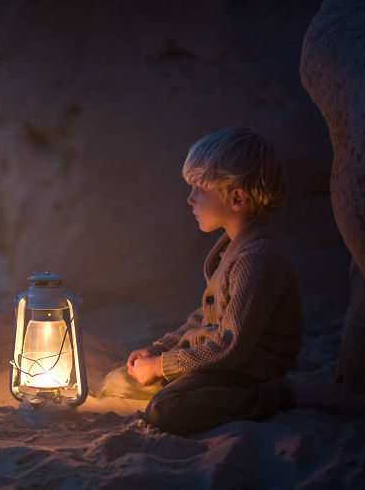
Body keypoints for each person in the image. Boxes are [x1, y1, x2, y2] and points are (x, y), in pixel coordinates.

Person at [126, 127, 302, 435]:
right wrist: (160, 348)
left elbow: (230, 346)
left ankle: (273, 396)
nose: (190, 199)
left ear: (237, 198)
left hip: (248, 372)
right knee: (128, 382)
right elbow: (205, 317)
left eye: (199, 189)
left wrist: (160, 366)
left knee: (164, 409)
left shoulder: (256, 258)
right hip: (229, 363)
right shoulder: (233, 247)